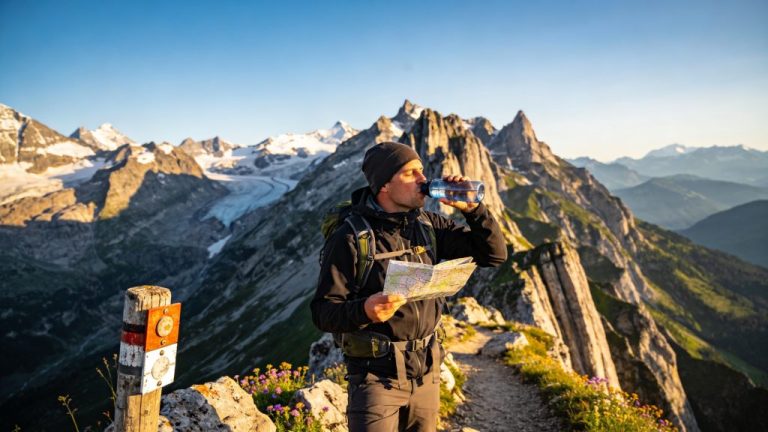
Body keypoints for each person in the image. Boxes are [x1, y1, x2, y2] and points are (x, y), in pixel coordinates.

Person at [311, 141, 507, 432]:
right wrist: (364, 310)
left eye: (422, 171)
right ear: (385, 186)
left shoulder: (429, 224)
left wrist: (473, 209)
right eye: (410, 173)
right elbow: (323, 312)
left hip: (427, 372)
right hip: (375, 378)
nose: (423, 180)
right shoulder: (351, 237)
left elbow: (493, 254)